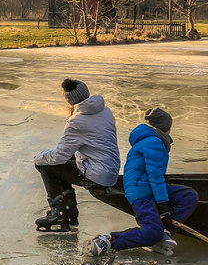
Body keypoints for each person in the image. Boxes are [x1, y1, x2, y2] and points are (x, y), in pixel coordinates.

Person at [89, 107, 197, 256]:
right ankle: (109, 241)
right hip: (141, 192)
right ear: (166, 128)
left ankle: (165, 232)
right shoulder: (154, 142)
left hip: (146, 187)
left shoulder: (150, 139)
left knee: (188, 195)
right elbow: (155, 176)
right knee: (152, 233)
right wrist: (163, 206)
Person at [34, 78, 120, 230]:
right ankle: (68, 213)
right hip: (111, 168)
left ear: (69, 99)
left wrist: (39, 157)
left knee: (46, 165)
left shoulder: (77, 121)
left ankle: (59, 214)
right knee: (65, 160)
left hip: (97, 177)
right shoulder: (105, 111)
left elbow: (58, 156)